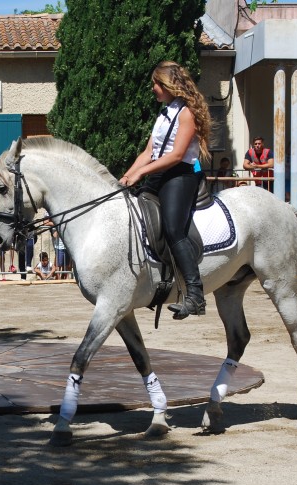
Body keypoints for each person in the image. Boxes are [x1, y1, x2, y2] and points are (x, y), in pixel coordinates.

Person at [119, 60, 212, 320]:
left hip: (180, 175)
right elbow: (149, 152)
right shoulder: (164, 113)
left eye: (156, 84)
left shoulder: (187, 113)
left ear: (169, 85)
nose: (153, 89)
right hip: (159, 174)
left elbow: (177, 155)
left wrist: (141, 173)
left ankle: (195, 295)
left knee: (173, 229)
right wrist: (126, 177)